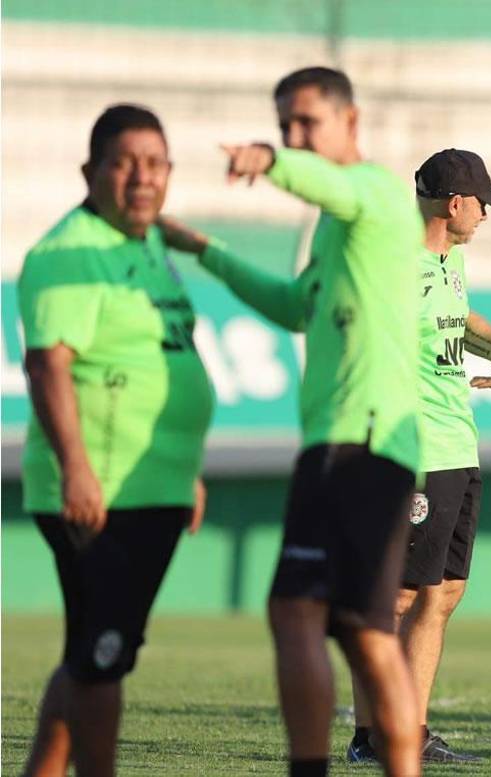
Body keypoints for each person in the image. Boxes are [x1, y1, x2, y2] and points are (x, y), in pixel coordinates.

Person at [160, 67, 425, 777]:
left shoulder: (374, 194)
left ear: (352, 121)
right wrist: (207, 252)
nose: (295, 136)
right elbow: (294, 306)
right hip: (346, 445)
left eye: (307, 122)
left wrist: (270, 159)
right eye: (285, 127)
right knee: (338, 624)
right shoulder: (340, 231)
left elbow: (325, 182)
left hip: (361, 442)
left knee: (330, 621)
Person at [17, 104, 213, 777]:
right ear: (90, 172)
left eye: (155, 163)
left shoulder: (149, 243)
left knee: (96, 652)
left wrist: (183, 469)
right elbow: (48, 366)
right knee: (101, 658)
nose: (142, 178)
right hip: (97, 491)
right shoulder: (65, 254)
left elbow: (164, 357)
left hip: (152, 485)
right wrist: (76, 470)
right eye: (124, 163)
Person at [346, 148, 491, 765]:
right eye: (481, 203)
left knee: (442, 593)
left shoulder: (448, 260)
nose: (485, 215)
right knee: (397, 597)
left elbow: (456, 318)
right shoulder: (394, 266)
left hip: (456, 445)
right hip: (417, 448)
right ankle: (374, 735)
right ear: (454, 205)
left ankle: (407, 728)